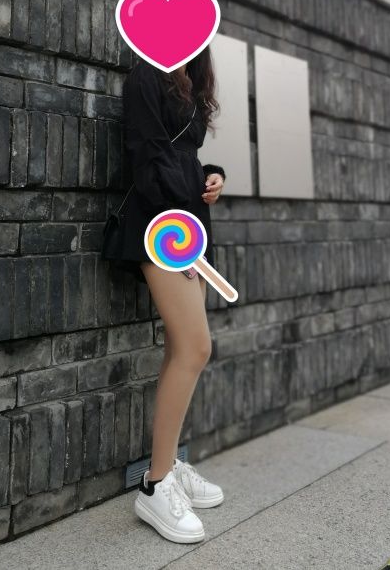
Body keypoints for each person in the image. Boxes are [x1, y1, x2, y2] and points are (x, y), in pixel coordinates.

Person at [107, 47, 227, 544]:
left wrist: (211, 176)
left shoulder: (189, 78)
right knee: (196, 347)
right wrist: (182, 210)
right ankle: (156, 486)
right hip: (161, 226)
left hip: (184, 226)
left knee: (182, 349)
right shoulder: (146, 77)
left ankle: (168, 464)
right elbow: (147, 157)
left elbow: (183, 156)